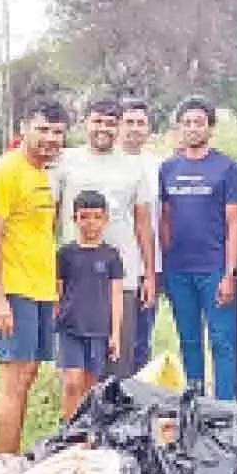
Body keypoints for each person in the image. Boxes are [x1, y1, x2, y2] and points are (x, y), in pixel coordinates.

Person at [0, 96, 67, 456]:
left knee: (28, 373)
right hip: (12, 291)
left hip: (39, 291)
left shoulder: (42, 173)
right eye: (42, 129)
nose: (50, 138)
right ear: (23, 129)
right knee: (13, 381)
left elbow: (41, 237)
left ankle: (13, 457)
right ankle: (4, 467)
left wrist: (53, 289)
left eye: (57, 132)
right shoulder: (3, 173)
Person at [50, 99, 154, 379]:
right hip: (75, 276)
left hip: (121, 276)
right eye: (97, 121)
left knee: (118, 359)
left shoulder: (133, 166)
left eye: (111, 123)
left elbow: (143, 223)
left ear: (119, 127)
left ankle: (116, 408)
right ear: (85, 122)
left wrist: (149, 275)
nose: (103, 128)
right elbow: (51, 217)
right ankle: (80, 409)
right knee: (76, 369)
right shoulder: (65, 161)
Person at [159, 96, 237, 399]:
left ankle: (223, 409)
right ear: (179, 128)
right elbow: (165, 219)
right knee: (189, 341)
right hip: (179, 271)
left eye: (199, 122)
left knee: (222, 342)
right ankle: (195, 404)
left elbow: (234, 223)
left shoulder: (227, 168)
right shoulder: (168, 168)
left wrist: (229, 273)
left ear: (210, 128)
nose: (193, 128)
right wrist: (167, 263)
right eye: (187, 123)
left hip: (214, 270)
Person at [56, 190, 124, 421]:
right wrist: (54, 321)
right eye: (84, 217)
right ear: (74, 219)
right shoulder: (65, 254)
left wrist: (115, 335)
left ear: (105, 219)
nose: (90, 223)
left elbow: (116, 296)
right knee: (72, 382)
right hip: (70, 328)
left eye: (96, 217)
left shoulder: (111, 256)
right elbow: (57, 292)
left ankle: (86, 433)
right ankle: (69, 431)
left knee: (91, 386)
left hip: (99, 330)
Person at [120, 99, 166, 372]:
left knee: (140, 341)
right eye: (129, 122)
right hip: (112, 268)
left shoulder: (160, 167)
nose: (135, 128)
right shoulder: (105, 163)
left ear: (149, 129)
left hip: (150, 266)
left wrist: (153, 272)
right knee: (112, 341)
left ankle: (137, 395)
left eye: (140, 123)